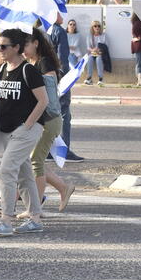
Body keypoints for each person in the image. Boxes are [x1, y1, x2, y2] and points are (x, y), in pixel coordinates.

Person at [0, 29, 47, 237]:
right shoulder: (2, 68)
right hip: (7, 128)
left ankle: (6, 220)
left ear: (17, 48)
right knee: (24, 174)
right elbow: (6, 95)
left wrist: (28, 125)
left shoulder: (28, 70)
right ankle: (35, 218)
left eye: (4, 46)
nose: (0, 50)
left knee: (6, 171)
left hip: (25, 129)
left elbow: (43, 101)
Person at [24, 28, 75, 212]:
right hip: (42, 120)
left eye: (26, 45)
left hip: (48, 119)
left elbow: (50, 88)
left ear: (36, 43)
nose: (23, 50)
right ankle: (62, 188)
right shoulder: (32, 62)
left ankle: (35, 208)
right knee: (34, 160)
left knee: (35, 161)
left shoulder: (44, 63)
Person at [48, 15, 82, 162]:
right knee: (64, 114)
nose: (62, 16)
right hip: (58, 77)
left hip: (43, 77)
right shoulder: (59, 31)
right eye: (59, 12)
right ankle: (64, 151)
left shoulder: (40, 30)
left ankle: (47, 150)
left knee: (47, 115)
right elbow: (62, 58)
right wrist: (65, 78)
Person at [83, 21, 106, 86]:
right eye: (95, 26)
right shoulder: (89, 36)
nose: (97, 27)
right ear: (92, 27)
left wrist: (99, 50)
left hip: (100, 53)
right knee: (89, 58)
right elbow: (88, 47)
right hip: (92, 53)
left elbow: (106, 45)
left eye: (99, 26)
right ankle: (89, 78)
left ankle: (101, 78)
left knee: (98, 59)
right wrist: (93, 50)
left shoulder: (103, 35)